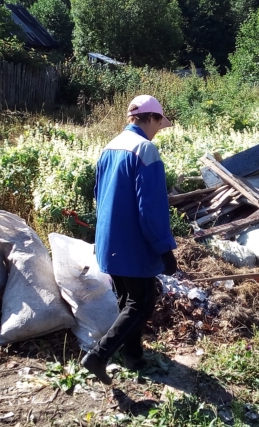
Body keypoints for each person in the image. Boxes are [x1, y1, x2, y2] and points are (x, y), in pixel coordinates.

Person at [81, 95, 178, 385]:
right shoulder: (145, 150)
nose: (159, 129)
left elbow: (99, 196)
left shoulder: (110, 147)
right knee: (142, 302)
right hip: (132, 243)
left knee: (128, 302)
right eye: (159, 123)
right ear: (152, 118)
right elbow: (151, 209)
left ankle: (133, 356)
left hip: (109, 240)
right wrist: (164, 248)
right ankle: (98, 356)